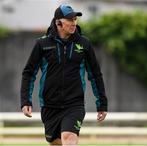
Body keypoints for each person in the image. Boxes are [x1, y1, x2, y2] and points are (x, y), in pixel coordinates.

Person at [20, 4, 108, 146]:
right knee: (56, 143)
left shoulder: (84, 44)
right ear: (58, 22)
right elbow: (29, 73)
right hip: (49, 106)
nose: (74, 23)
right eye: (70, 20)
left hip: (74, 104)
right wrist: (25, 101)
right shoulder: (42, 44)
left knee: (68, 138)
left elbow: (95, 75)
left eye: (75, 19)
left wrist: (102, 103)